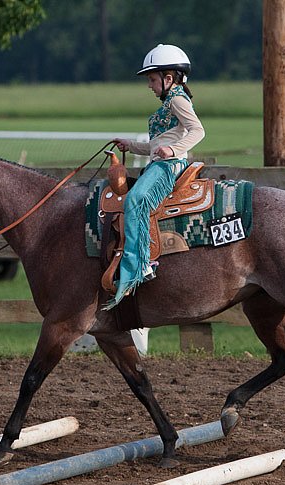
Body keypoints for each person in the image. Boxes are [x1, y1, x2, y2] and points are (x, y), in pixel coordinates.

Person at [103, 44, 205, 310]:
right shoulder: (170, 102)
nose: (149, 85)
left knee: (134, 201)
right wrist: (130, 145)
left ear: (168, 78)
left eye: (152, 79)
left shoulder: (179, 100)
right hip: (159, 163)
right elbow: (155, 145)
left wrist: (173, 149)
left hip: (168, 166)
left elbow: (198, 130)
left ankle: (141, 264)